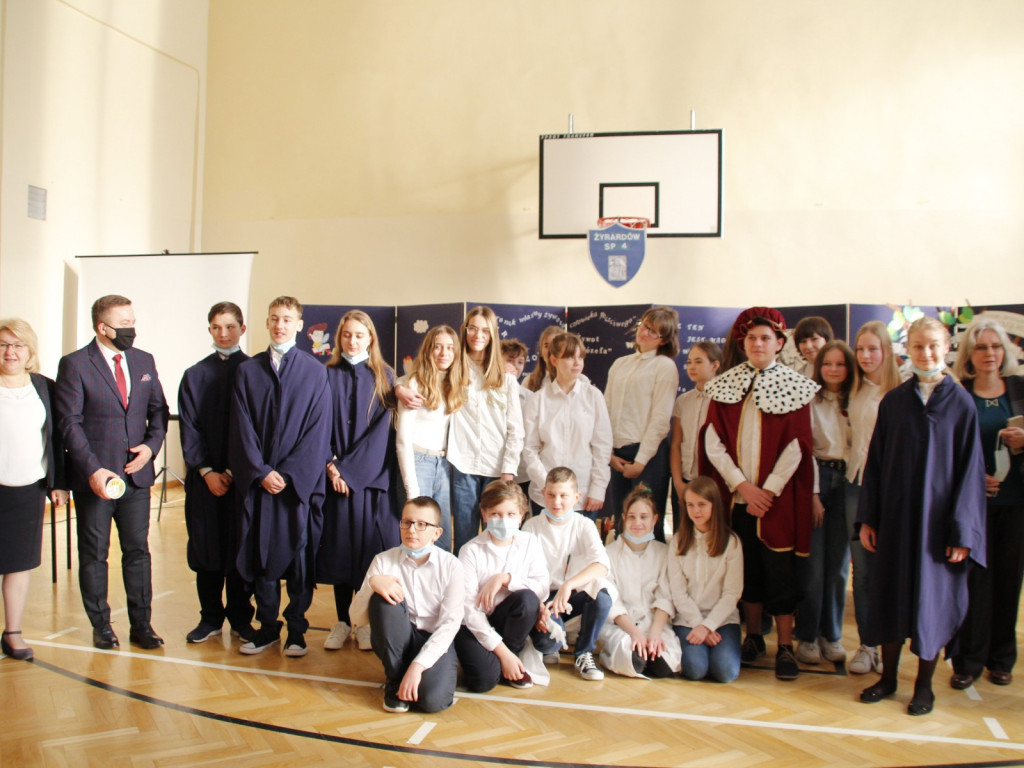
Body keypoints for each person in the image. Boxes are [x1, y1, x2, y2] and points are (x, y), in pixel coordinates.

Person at [856, 316, 986, 716]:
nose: (926, 353)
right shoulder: (894, 402)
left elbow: (970, 471)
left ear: (946, 347)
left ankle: (924, 686)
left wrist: (963, 533)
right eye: (917, 346)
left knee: (931, 604)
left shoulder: (960, 403)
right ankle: (888, 678)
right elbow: (876, 463)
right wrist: (869, 518)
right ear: (907, 349)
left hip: (937, 527)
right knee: (891, 597)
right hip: (896, 522)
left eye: (932, 345)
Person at [700, 306, 818, 681]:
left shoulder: (796, 386)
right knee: (745, 569)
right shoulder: (726, 384)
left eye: (766, 338)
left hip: (776, 502)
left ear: (779, 343)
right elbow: (712, 441)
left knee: (780, 573)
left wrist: (767, 491)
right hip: (738, 497)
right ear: (743, 342)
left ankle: (785, 645)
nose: (758, 344)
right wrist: (742, 486)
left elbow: (797, 447)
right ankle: (753, 636)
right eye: (751, 338)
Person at [56, 295, 169, 650]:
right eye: (124, 324)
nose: (131, 329)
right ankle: (101, 626)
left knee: (138, 552)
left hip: (136, 477)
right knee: (94, 554)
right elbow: (69, 423)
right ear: (102, 328)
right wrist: (93, 470)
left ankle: (142, 625)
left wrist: (150, 448)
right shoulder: (75, 364)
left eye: (132, 322)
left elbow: (159, 412)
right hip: (96, 481)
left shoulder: (144, 360)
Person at [230, 296, 331, 657]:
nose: (280, 325)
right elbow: (241, 428)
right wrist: (260, 472)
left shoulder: (315, 372)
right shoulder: (248, 371)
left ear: (299, 325)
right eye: (274, 318)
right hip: (261, 485)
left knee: (300, 558)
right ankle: (268, 626)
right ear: (267, 322)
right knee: (262, 556)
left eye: (287, 319)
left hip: (296, 487)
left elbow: (319, 432)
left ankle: (297, 630)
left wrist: (288, 475)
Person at [317, 310, 398, 653]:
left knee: (366, 552)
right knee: (338, 551)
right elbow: (316, 424)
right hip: (333, 479)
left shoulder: (385, 376)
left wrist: (349, 472)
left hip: (369, 480)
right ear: (340, 338)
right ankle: (340, 621)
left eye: (359, 335)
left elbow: (382, 433)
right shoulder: (325, 374)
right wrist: (331, 466)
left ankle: (362, 622)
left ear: (370, 339)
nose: (352, 341)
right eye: (347, 335)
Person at [950, 318, 1024, 689]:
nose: (989, 353)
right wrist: (972, 479)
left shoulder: (1020, 388)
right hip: (971, 508)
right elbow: (945, 450)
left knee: (1008, 583)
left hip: (1015, 503)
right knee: (972, 584)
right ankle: (967, 661)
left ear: (1005, 351)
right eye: (981, 347)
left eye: (995, 346)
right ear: (969, 354)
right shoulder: (958, 393)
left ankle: (1001, 659)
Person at [177, 302, 255, 644]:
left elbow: (256, 429)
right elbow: (189, 427)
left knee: (239, 550)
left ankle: (241, 618)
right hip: (205, 481)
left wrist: (237, 470)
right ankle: (210, 617)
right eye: (216, 327)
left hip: (242, 481)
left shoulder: (254, 371)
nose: (223, 334)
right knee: (206, 548)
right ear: (209, 330)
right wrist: (207, 471)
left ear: (242, 329)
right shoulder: (195, 375)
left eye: (230, 326)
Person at [350, 496, 464, 713]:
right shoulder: (383, 560)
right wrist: (372, 584)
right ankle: (394, 680)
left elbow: (450, 624)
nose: (411, 530)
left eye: (422, 524)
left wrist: (417, 667)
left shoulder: (451, 566)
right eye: (407, 522)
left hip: (434, 638)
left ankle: (410, 670)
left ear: (437, 533)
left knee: (431, 701)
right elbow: (356, 618)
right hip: (398, 638)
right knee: (383, 599)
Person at [0, 318, 68, 660]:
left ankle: (12, 632)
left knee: (18, 564)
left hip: (28, 489)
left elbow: (56, 439)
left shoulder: (44, 387)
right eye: (3, 345)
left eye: (18, 345)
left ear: (29, 351)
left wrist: (59, 484)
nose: (10, 352)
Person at [844, 320, 904, 675]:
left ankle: (890, 647)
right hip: (856, 485)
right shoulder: (855, 389)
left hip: (892, 491)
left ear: (887, 351)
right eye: (860, 349)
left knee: (890, 570)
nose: (865, 356)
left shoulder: (902, 391)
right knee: (863, 572)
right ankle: (868, 646)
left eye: (872, 349)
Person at [455, 480, 548, 691]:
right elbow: (469, 611)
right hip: (474, 625)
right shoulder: (470, 551)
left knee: (527, 599)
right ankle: (506, 659)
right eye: (495, 514)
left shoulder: (530, 542)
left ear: (522, 515)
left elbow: (542, 586)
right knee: (483, 682)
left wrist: (504, 579)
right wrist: (502, 653)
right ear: (484, 514)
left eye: (511, 514)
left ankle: (512, 655)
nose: (503, 520)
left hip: (509, 621)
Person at [794, 340, 854, 666]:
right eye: (827, 363)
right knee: (814, 566)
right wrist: (813, 494)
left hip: (848, 480)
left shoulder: (856, 398)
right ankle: (807, 636)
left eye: (840, 364)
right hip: (818, 478)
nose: (833, 369)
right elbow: (806, 450)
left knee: (839, 566)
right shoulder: (809, 398)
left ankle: (831, 635)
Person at [523, 467, 613, 681]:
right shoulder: (531, 526)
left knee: (602, 595)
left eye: (563, 496)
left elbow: (602, 565)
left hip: (572, 594)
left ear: (576, 497)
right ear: (543, 494)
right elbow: (523, 572)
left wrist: (569, 584)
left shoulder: (584, 525)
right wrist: (539, 606)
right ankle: (552, 641)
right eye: (551, 495)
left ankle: (583, 652)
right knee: (548, 643)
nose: (557, 502)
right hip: (545, 597)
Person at [446, 306, 524, 550]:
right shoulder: (453, 370)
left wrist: (508, 469)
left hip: (497, 468)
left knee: (498, 538)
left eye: (484, 330)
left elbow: (516, 429)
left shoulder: (506, 378)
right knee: (465, 537)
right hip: (463, 465)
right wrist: (400, 388)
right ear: (464, 330)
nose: (477, 335)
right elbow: (417, 377)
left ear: (492, 334)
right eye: (472, 329)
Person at [604, 306, 680, 539]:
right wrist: (609, 454)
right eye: (644, 326)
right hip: (617, 455)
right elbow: (606, 410)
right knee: (622, 522)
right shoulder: (620, 363)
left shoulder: (664, 366)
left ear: (664, 339)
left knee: (647, 525)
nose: (644, 333)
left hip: (648, 456)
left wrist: (640, 462)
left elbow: (660, 420)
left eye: (653, 331)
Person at [661, 477, 743, 683]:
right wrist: (699, 624)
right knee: (696, 669)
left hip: (723, 620)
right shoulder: (678, 542)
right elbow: (678, 593)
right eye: (690, 505)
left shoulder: (731, 542)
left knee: (725, 672)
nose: (696, 511)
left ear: (714, 505)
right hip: (688, 620)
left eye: (702, 504)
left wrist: (708, 626)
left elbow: (732, 594)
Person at [522, 332, 613, 518]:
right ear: (554, 360)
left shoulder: (593, 396)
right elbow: (529, 448)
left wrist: (598, 488)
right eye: (570, 357)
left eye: (580, 357)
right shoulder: (538, 399)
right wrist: (546, 484)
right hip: (545, 495)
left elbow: (602, 447)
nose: (577, 363)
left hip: (583, 493)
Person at [598, 486, 681, 678]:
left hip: (653, 623)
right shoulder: (608, 553)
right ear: (624, 518)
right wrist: (635, 633)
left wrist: (654, 633)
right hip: (622, 625)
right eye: (632, 517)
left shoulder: (663, 553)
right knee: (633, 659)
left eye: (644, 517)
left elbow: (665, 597)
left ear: (654, 520)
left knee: (663, 665)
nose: (637, 523)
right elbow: (613, 603)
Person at [395, 325, 464, 552]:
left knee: (441, 538)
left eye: (450, 348)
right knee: (417, 536)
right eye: (438, 347)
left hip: (444, 464)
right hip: (417, 462)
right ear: (428, 350)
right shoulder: (413, 383)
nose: (444, 353)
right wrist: (412, 490)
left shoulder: (455, 383)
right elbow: (402, 441)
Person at [669, 341, 722, 529]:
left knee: (711, 533)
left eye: (698, 362)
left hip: (712, 481)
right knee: (682, 532)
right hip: (685, 479)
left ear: (715, 365)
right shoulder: (683, 401)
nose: (691, 367)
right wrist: (678, 483)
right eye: (689, 362)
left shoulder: (724, 400)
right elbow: (676, 444)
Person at [523, 325, 564, 393]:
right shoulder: (529, 381)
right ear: (541, 351)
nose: (551, 350)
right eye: (546, 346)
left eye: (555, 345)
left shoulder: (576, 380)